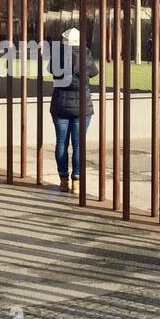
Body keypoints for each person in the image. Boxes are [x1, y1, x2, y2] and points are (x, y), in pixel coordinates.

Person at [49, 26, 98, 194]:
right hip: (82, 105)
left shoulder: (57, 54)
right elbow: (94, 72)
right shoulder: (85, 53)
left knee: (61, 142)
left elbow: (50, 70)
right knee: (78, 144)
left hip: (60, 104)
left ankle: (63, 180)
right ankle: (77, 181)